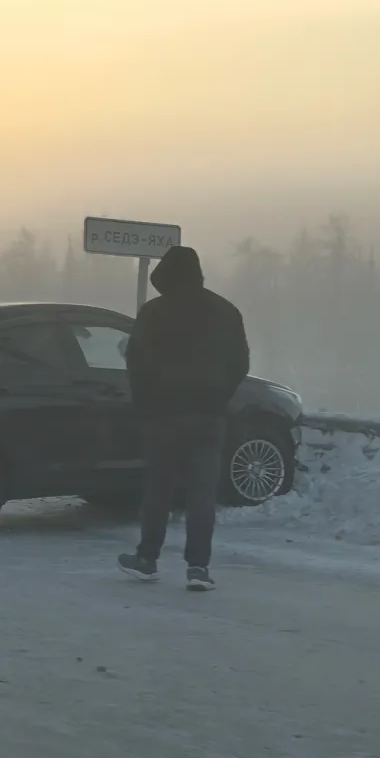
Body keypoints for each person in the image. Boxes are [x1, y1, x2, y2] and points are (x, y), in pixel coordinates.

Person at [117, 245, 250, 592]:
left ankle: (147, 559)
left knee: (159, 489)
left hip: (163, 416)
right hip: (209, 417)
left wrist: (145, 404)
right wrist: (218, 395)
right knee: (202, 494)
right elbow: (241, 363)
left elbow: (136, 364)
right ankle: (198, 567)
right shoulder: (224, 312)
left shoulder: (153, 313)